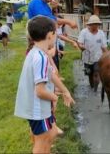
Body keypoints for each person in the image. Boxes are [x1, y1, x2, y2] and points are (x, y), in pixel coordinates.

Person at [14, 16, 75, 154]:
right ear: (50, 35)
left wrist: (65, 91)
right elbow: (40, 91)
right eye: (55, 33)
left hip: (37, 107)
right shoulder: (40, 57)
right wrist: (54, 98)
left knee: (51, 133)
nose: (56, 36)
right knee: (42, 143)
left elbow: (51, 74)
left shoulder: (37, 52)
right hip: (38, 110)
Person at [77, 15, 108, 91]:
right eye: (94, 24)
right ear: (90, 25)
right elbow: (79, 43)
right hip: (87, 58)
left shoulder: (101, 33)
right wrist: (81, 47)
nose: (96, 26)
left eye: (97, 24)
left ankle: (95, 90)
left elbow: (104, 47)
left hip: (98, 58)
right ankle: (92, 86)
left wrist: (108, 55)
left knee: (97, 73)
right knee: (90, 74)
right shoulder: (84, 32)